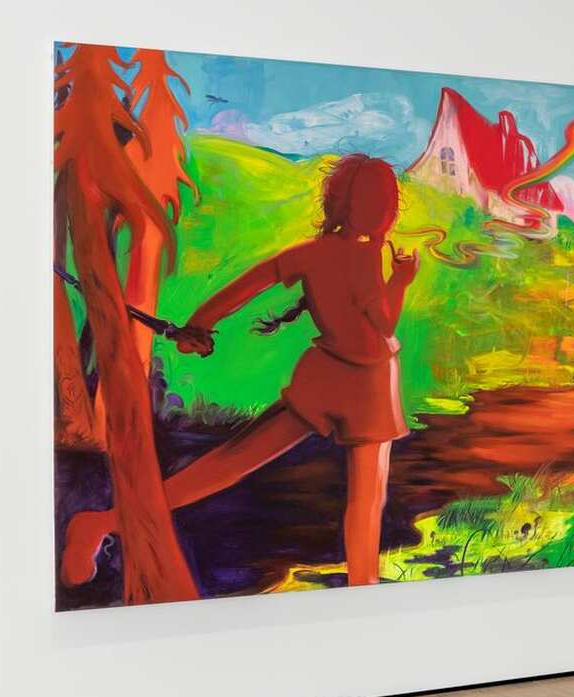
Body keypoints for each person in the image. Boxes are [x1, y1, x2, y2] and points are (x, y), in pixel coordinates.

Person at [61, 154, 418, 590]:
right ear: (381, 208)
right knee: (365, 500)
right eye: (387, 202)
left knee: (230, 464)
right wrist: (401, 280)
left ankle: (103, 522)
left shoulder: (313, 253)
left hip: (330, 376)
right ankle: (364, 586)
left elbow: (249, 284)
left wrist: (201, 323)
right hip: (368, 383)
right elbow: (383, 323)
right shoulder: (366, 258)